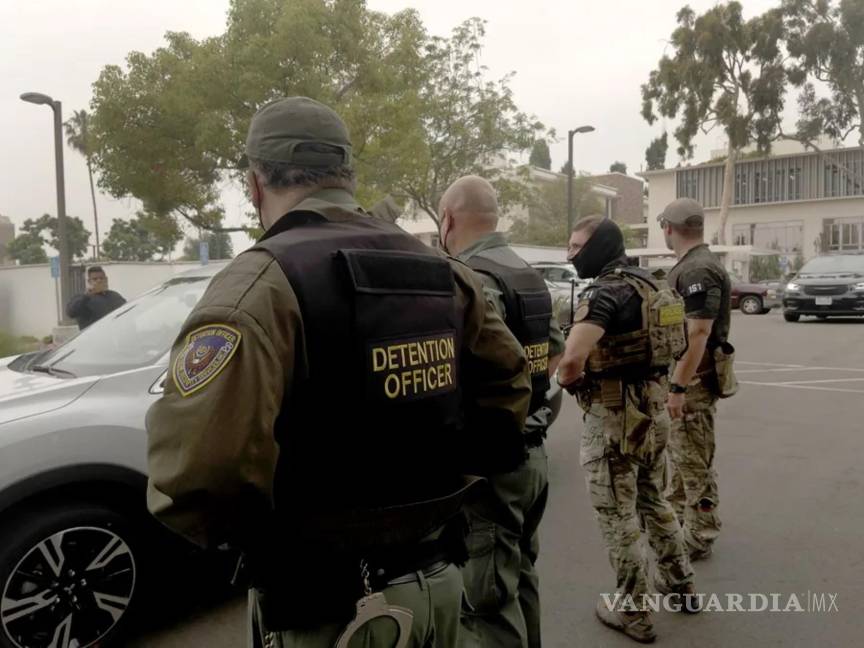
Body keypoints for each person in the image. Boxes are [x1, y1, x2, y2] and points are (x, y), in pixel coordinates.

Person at [145, 96, 532, 648]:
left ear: (254, 184)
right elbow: (509, 385)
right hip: (442, 584)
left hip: (328, 608)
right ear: (346, 174)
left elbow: (199, 472)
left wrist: (269, 541)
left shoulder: (261, 283)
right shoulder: (445, 272)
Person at [438, 175, 565, 648]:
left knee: (486, 602)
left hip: (493, 465)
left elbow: (468, 370)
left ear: (447, 219)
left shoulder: (471, 278)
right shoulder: (526, 274)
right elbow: (554, 353)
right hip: (533, 455)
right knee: (521, 574)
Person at [557, 215, 697, 643]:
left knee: (618, 515)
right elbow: (680, 342)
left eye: (577, 246)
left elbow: (571, 359)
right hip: (653, 408)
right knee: (654, 499)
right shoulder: (658, 286)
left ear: (598, 247)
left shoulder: (605, 292)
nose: (570, 254)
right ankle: (681, 586)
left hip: (615, 418)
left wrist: (568, 381)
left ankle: (634, 612)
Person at [659, 198, 736, 561]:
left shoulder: (697, 270)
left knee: (693, 463)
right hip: (690, 380)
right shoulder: (694, 264)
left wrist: (677, 387)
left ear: (669, 228)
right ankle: (678, 524)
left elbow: (699, 334)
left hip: (692, 383)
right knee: (682, 458)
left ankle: (700, 534)